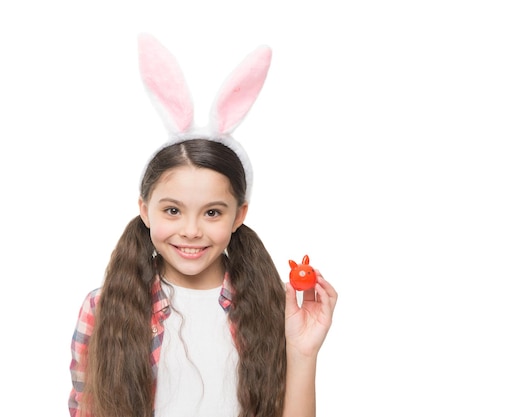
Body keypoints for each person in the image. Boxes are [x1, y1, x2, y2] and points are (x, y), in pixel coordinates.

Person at [68, 34, 338, 417]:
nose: (191, 230)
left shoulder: (272, 305)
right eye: (172, 211)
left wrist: (303, 351)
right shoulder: (103, 306)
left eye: (212, 212)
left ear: (238, 215)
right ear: (145, 210)